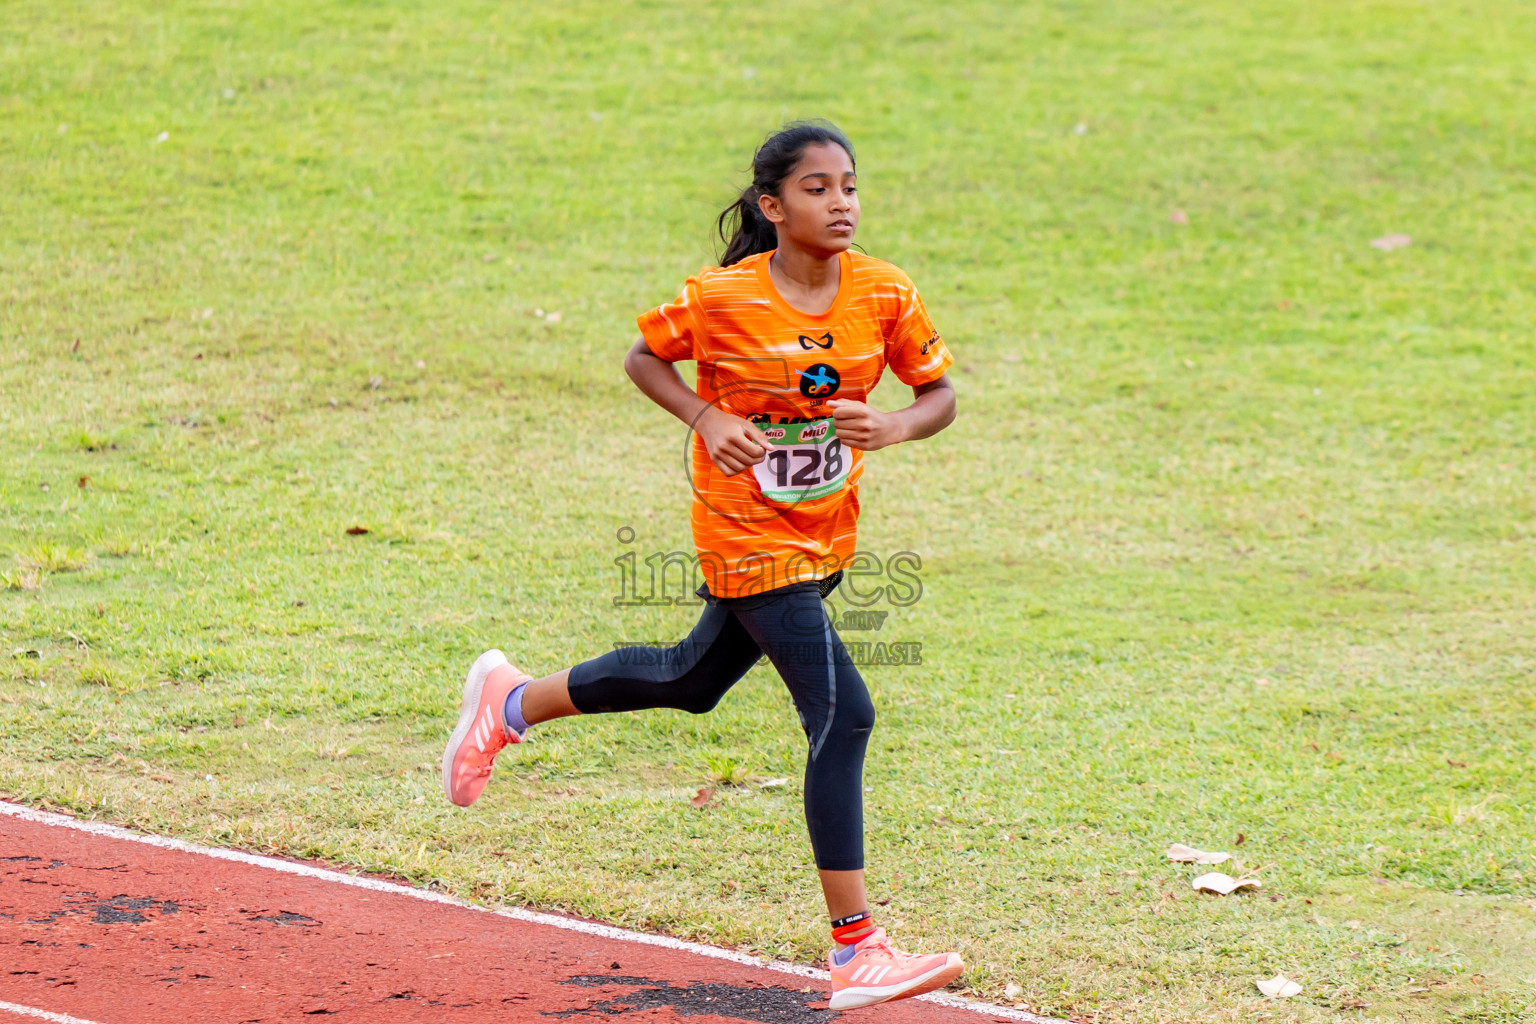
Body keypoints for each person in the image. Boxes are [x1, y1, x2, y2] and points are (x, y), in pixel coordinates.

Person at [442, 120, 961, 1009]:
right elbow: (645, 356)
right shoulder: (721, 300)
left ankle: (511, 700)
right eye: (817, 188)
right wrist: (704, 417)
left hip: (825, 536)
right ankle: (856, 949)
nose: (841, 203)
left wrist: (898, 425)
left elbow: (938, 394)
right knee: (844, 715)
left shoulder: (884, 293)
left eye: (850, 186)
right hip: (744, 536)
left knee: (691, 679)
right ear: (772, 205)